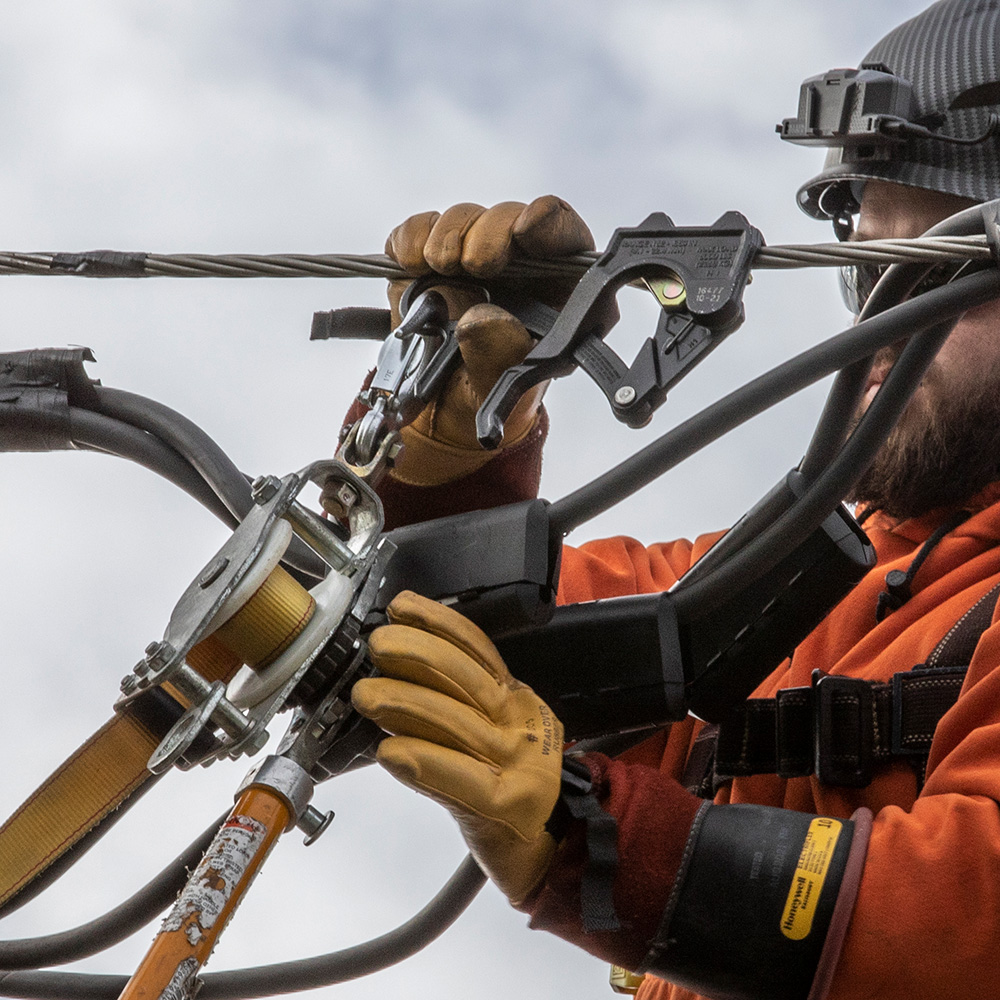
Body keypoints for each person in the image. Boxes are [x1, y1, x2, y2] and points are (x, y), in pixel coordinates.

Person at [341, 3, 1000, 998]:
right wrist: (448, 451)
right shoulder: (795, 574)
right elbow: (460, 632)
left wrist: (594, 841)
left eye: (937, 272)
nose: (877, 322)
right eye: (865, 268)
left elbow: (963, 922)